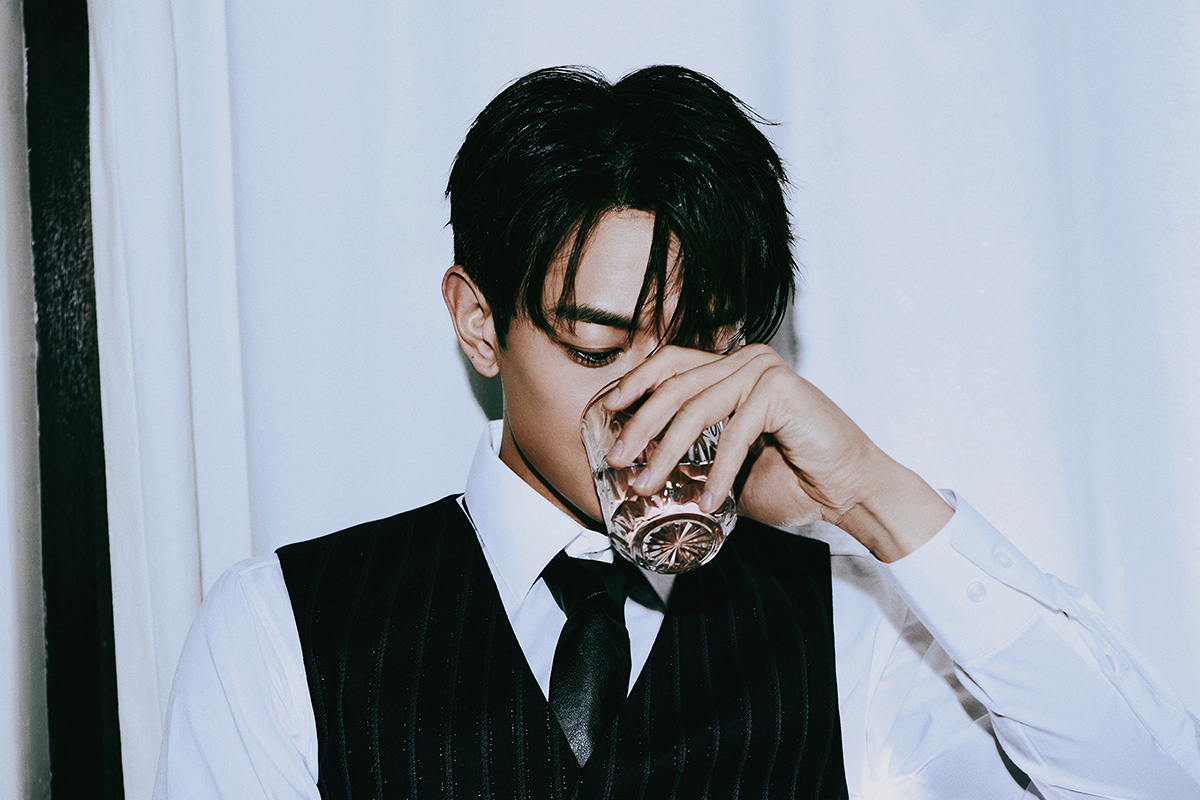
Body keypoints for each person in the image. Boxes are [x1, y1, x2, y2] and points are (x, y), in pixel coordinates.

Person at [154, 65, 1200, 799]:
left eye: (698, 345)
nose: (652, 398)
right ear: (478, 322)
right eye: (597, 344)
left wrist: (872, 497)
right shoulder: (281, 630)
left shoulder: (848, 621)